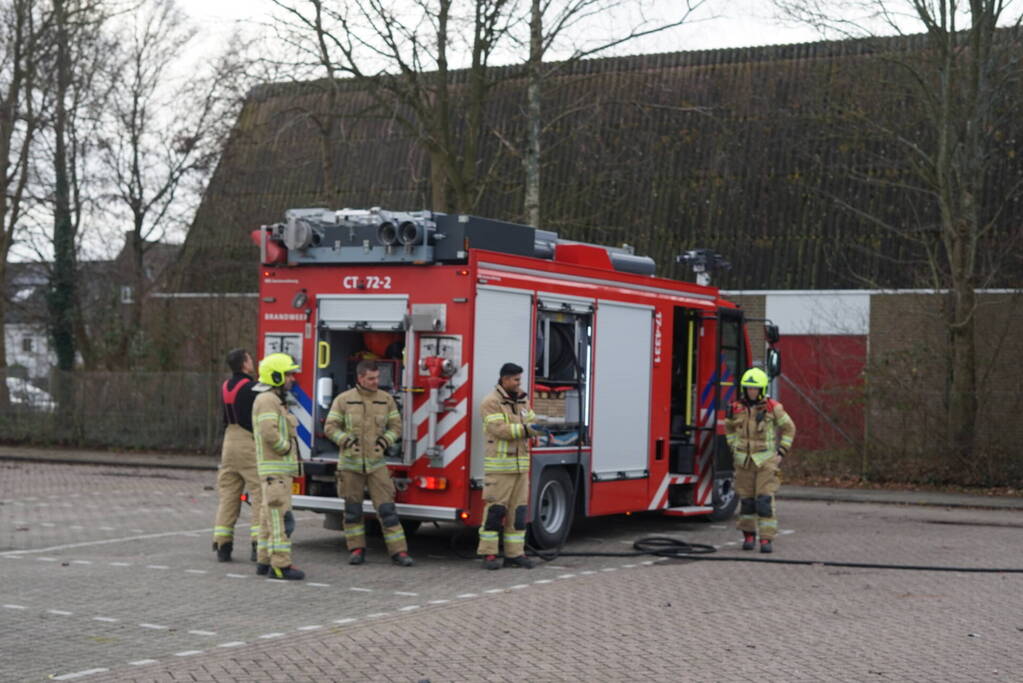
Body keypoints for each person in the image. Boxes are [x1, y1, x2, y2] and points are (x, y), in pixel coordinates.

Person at [324, 360, 414, 567]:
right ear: (360, 378)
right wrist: (345, 440)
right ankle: (356, 549)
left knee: (388, 510)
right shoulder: (344, 400)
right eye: (371, 378)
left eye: (377, 378)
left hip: (376, 464)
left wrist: (385, 441)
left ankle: (399, 552)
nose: (376, 382)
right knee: (353, 511)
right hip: (350, 464)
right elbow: (331, 427)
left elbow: (396, 427)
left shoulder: (386, 400)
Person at [477, 362, 548, 570]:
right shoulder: (491, 402)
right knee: (495, 512)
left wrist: (538, 428)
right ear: (505, 379)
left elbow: (532, 421)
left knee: (518, 512)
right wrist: (528, 429)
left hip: (520, 467)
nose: (519, 384)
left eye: (520, 379)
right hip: (499, 469)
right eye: (516, 379)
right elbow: (500, 430)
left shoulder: (522, 400)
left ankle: (514, 554)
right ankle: (489, 554)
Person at [725, 367, 796, 553]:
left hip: (765, 461)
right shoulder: (735, 408)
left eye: (755, 389)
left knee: (764, 501)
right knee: (747, 502)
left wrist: (781, 452)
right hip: (743, 463)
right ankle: (748, 536)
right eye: (748, 388)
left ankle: (766, 539)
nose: (751, 392)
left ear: (762, 389)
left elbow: (789, 428)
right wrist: (733, 447)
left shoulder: (773, 408)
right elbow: (729, 429)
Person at [252, 352, 305, 580]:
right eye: (288, 374)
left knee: (267, 517)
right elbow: (268, 432)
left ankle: (264, 561)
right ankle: (280, 566)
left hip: (277, 470)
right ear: (275, 376)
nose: (292, 378)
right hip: (276, 469)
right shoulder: (267, 400)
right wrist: (285, 448)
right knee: (279, 518)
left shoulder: (272, 399)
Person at [211, 348, 262, 562]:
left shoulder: (225, 386)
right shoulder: (252, 388)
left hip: (228, 442)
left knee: (229, 495)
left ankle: (223, 545)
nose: (253, 361)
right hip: (246, 442)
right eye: (250, 359)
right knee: (260, 493)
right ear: (244, 364)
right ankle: (257, 544)